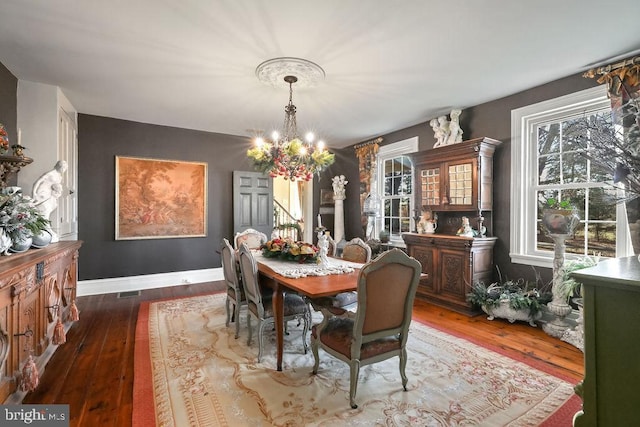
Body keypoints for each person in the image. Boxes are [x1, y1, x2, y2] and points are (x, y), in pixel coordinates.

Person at [31, 160, 67, 242]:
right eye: (63, 167)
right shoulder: (51, 173)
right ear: (59, 166)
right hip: (43, 193)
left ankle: (44, 229)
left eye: (65, 168)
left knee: (48, 210)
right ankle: (46, 229)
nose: (64, 170)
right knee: (44, 210)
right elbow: (37, 182)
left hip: (51, 194)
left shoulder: (59, 176)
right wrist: (34, 194)